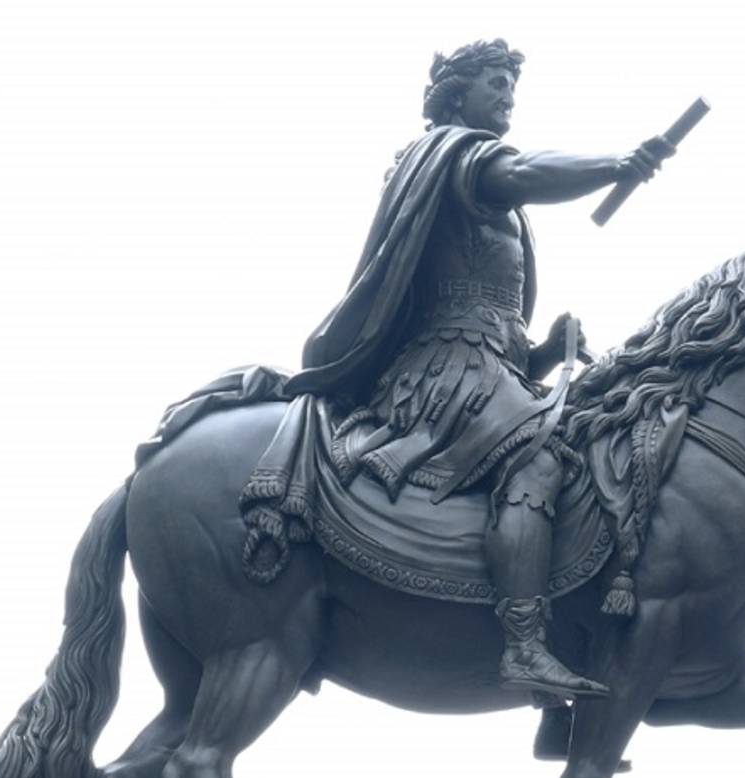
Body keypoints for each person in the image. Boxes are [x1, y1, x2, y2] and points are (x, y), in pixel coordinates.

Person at [244, 40, 674, 703]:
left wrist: (537, 350)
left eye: (511, 85)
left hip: (486, 367)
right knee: (540, 457)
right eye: (495, 83)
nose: (507, 94)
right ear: (456, 95)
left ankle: (573, 665)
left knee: (591, 448)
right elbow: (527, 170)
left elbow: (475, 303)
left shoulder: (467, 177)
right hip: (446, 371)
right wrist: (616, 164)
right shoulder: (457, 157)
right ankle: (527, 644)